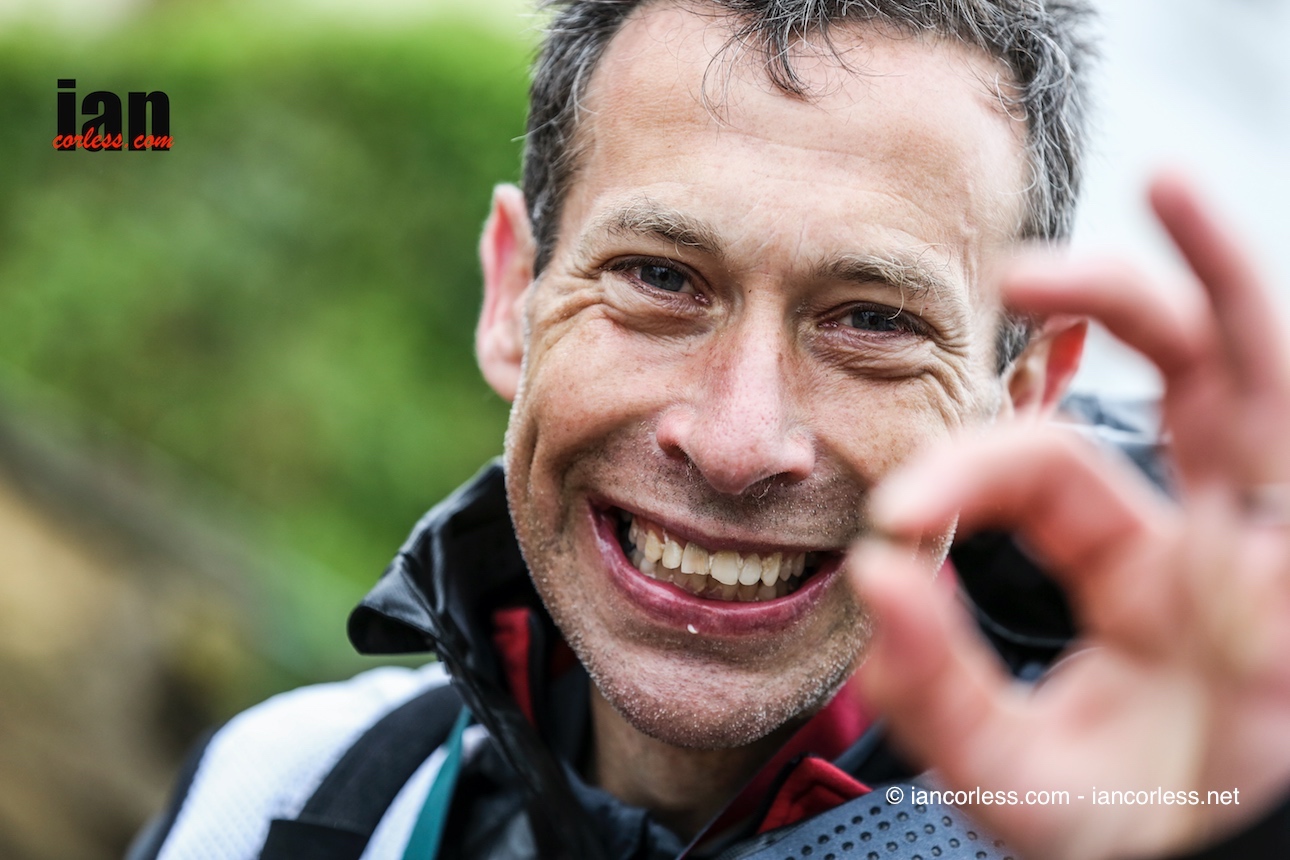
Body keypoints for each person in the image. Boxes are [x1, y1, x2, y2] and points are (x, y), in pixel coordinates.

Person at [130, 1, 1290, 858]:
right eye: (660, 277)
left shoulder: (1142, 815)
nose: (738, 442)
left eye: (873, 320)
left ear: (1026, 392)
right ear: (513, 296)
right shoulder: (285, 795)